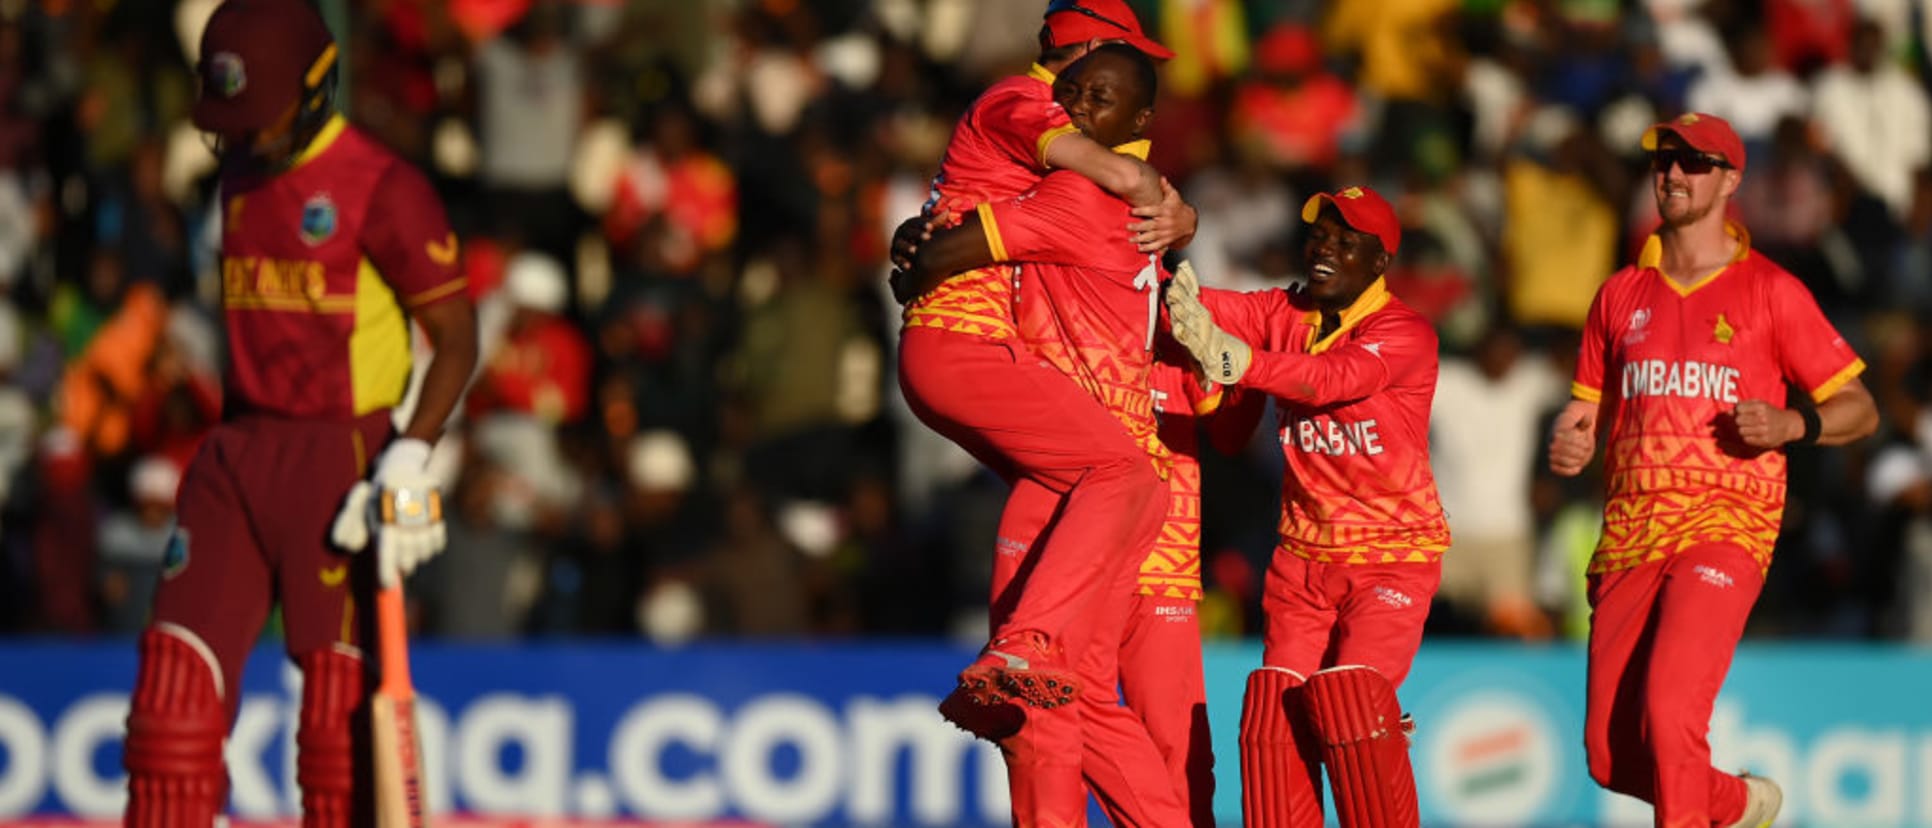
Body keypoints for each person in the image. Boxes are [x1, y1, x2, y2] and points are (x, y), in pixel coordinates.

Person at [121, 1, 478, 825]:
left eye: (259, 116)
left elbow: (457, 337)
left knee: (336, 737)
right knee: (170, 716)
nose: (241, 137)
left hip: (341, 464)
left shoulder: (382, 187)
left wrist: (411, 454)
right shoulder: (240, 167)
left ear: (318, 89)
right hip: (236, 454)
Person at [1546, 112, 1877, 828]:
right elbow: (1585, 412)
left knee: (1670, 715)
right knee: (1608, 757)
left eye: (1693, 164)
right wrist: (1571, 440)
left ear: (1730, 180)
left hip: (1726, 526)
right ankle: (1741, 803)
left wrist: (1793, 424)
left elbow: (1860, 407)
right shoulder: (1618, 295)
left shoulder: (1771, 290)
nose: (1672, 175)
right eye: (1664, 161)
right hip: (1631, 536)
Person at [898, 42, 1195, 828]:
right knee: (1077, 699)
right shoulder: (1142, 210)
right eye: (1070, 97)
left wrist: (919, 240)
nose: (1076, 114)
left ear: (1138, 121)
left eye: (1097, 100)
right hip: (1094, 475)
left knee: (1035, 682)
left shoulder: (1076, 196)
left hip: (1092, 476)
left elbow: (932, 260)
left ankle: (1028, 642)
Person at [1163, 186, 1447, 827]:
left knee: (1350, 698)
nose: (1326, 250)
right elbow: (1201, 307)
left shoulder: (1403, 332)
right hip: (1300, 561)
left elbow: (1328, 380)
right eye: (1321, 236)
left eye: (1348, 243)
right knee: (1272, 714)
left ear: (1379, 264)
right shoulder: (1285, 310)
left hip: (1391, 559)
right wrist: (1154, 270)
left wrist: (1232, 357)